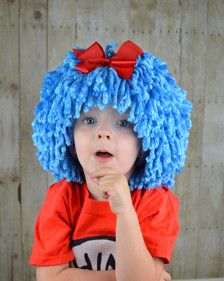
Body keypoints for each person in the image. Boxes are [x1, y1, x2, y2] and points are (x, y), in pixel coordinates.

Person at [29, 40, 192, 281]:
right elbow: (49, 278)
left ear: (146, 141)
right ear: (68, 134)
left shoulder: (156, 201)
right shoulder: (61, 198)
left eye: (124, 123)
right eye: (89, 120)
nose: (103, 133)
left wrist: (125, 210)